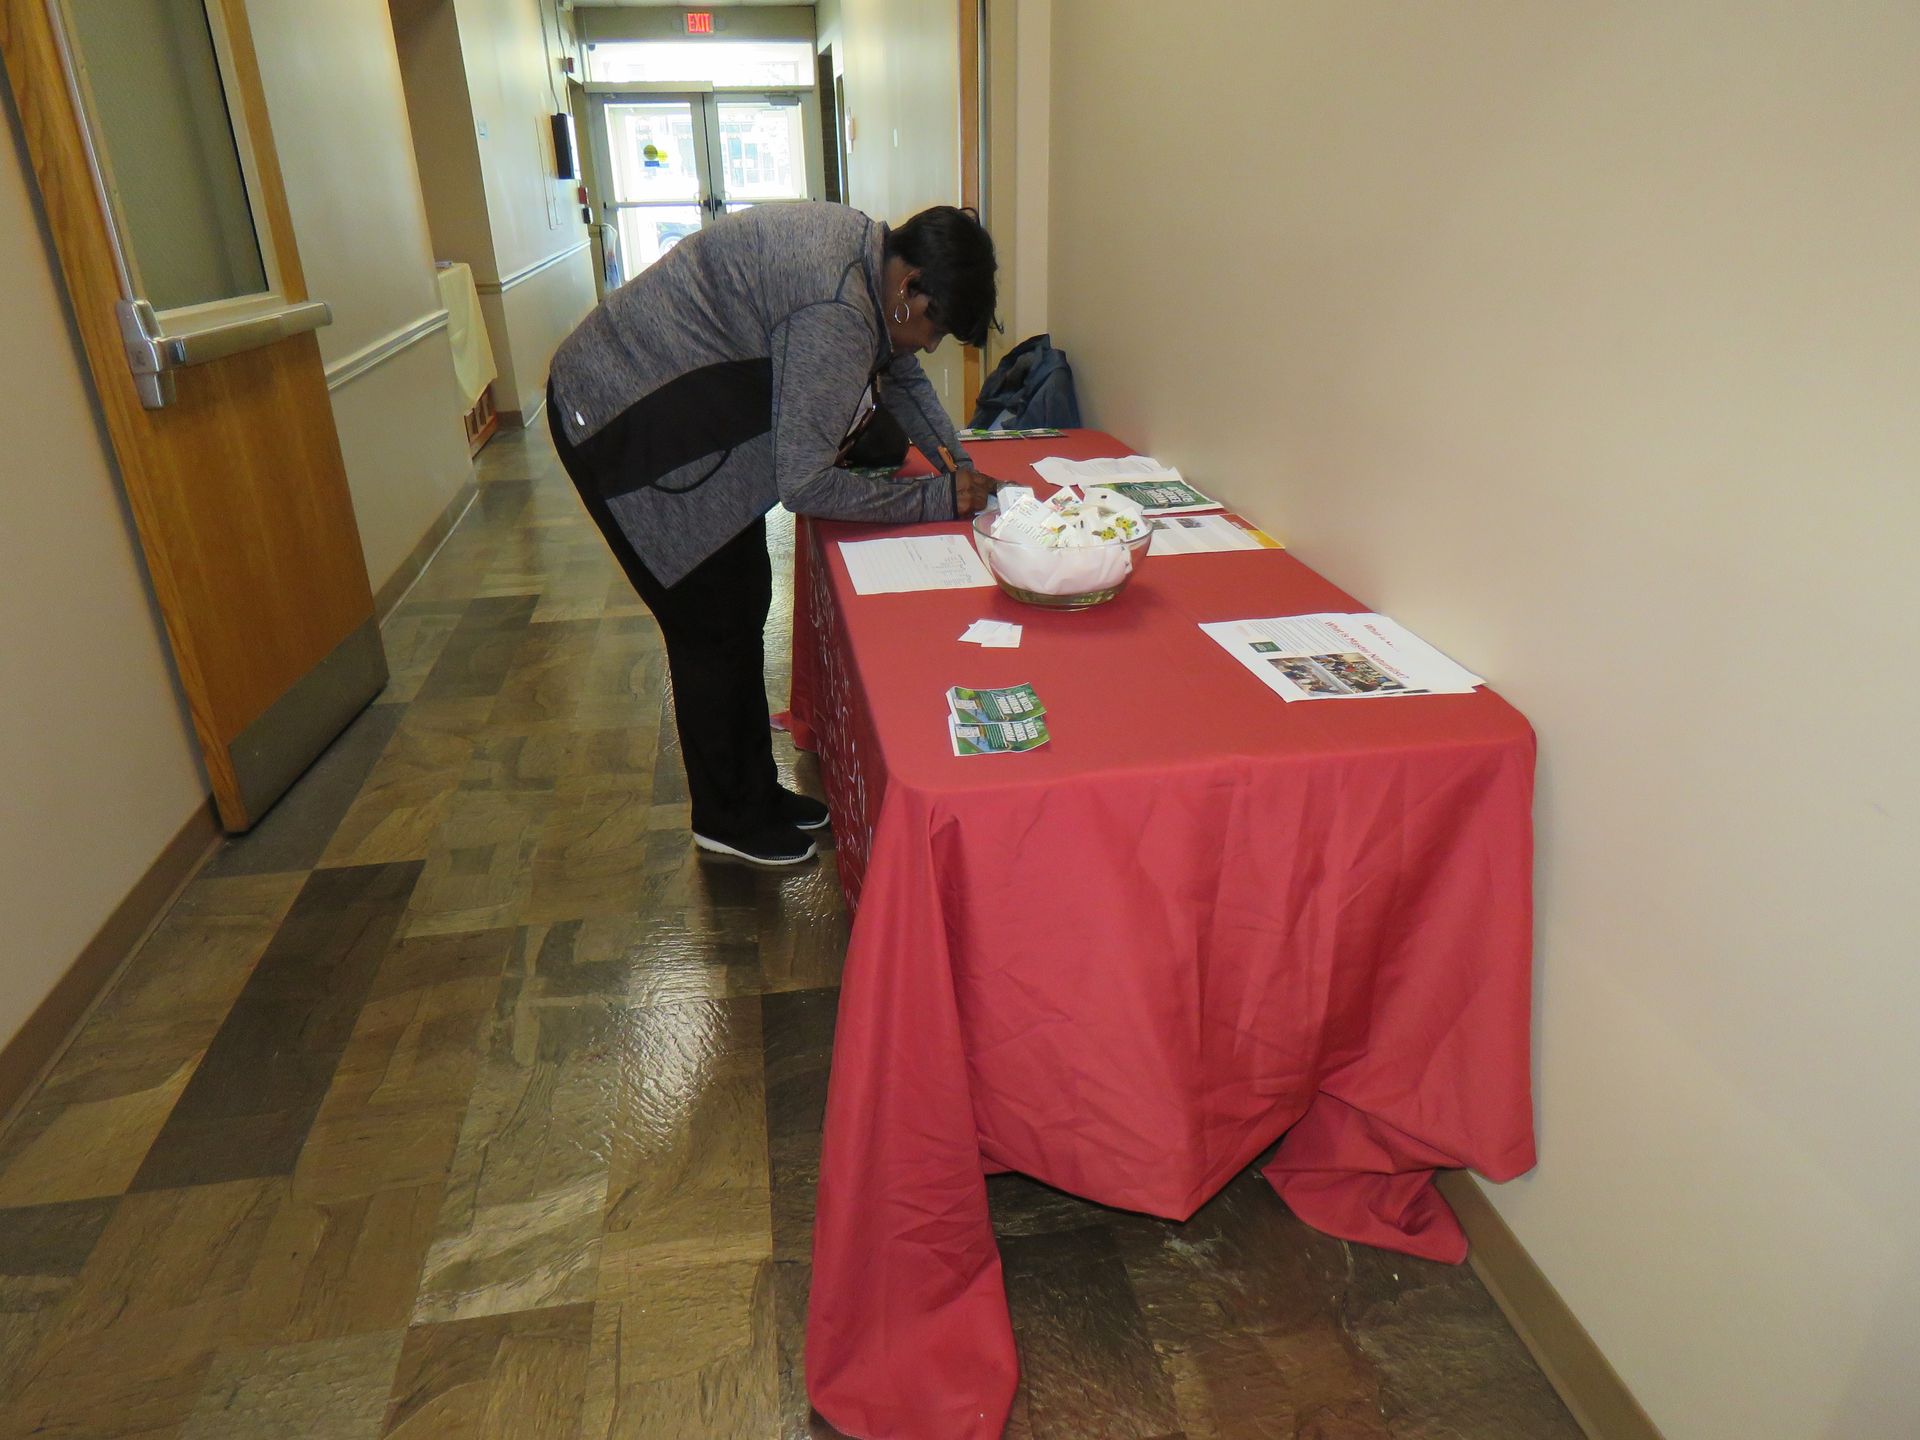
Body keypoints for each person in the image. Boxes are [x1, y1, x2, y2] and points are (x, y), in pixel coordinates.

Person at [546, 202, 1001, 866]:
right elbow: (806, 484)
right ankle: (726, 817)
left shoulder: (868, 259)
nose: (930, 345)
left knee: (742, 593)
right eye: (934, 327)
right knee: (709, 618)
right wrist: (936, 496)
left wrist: (958, 464)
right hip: (621, 415)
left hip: (671, 400)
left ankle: (754, 792)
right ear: (909, 286)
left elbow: (898, 372)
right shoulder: (839, 310)